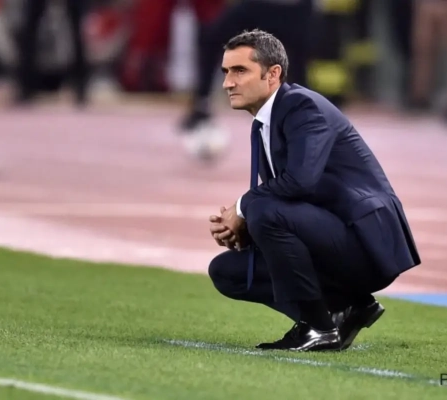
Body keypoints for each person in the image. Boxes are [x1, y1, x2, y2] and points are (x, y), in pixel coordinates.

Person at [207, 30, 421, 352]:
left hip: (368, 243)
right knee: (228, 272)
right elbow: (291, 198)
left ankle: (318, 327)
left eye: (240, 71)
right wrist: (245, 226)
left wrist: (242, 209)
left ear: (273, 74)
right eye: (226, 72)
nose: (228, 83)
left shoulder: (301, 106)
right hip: (332, 235)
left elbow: (299, 182)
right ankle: (349, 306)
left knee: (263, 211)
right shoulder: (265, 122)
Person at [179, 0, 313, 133]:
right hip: (260, 6)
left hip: (292, 9)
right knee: (214, 39)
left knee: (297, 62)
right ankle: (202, 103)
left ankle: (304, 115)